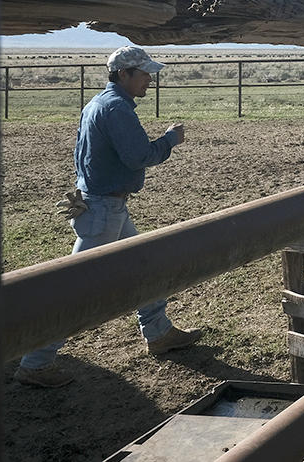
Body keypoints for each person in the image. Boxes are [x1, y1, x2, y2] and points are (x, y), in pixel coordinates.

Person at [14, 46, 202, 388]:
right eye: (143, 73)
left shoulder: (98, 104)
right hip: (105, 208)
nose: (149, 78)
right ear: (123, 74)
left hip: (102, 204)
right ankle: (36, 362)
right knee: (76, 288)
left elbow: (83, 154)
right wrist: (170, 140)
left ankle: (158, 331)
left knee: (143, 264)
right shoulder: (117, 109)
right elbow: (138, 156)